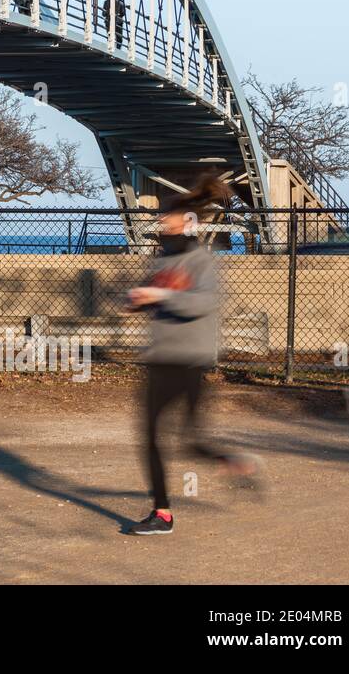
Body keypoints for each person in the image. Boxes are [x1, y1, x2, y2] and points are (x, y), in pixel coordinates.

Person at [126, 174, 262, 535]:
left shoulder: (202, 261)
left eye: (166, 219)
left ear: (187, 224)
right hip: (160, 358)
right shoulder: (162, 263)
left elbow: (204, 302)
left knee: (191, 441)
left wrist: (161, 297)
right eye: (160, 220)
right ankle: (163, 513)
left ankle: (233, 461)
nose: (160, 224)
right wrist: (137, 301)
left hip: (189, 359)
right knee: (151, 437)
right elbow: (151, 297)